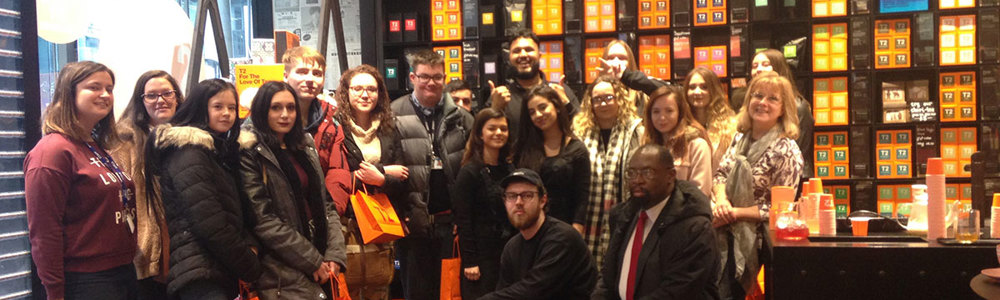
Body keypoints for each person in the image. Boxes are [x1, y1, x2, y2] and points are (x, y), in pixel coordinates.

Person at [26, 61, 138, 299]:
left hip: (121, 272)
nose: (105, 95)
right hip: (85, 280)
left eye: (109, 88)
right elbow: (44, 232)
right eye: (94, 87)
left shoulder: (94, 146)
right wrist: (55, 291)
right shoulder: (52, 151)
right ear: (69, 93)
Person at [145, 79, 261, 299]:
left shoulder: (218, 151)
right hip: (200, 272)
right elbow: (210, 223)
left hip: (215, 267)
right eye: (218, 106)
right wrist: (251, 265)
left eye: (232, 108)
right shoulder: (189, 153)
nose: (226, 113)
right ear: (200, 107)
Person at [238, 81, 346, 299]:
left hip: (322, 254)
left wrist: (334, 254)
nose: (285, 114)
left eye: (291, 107)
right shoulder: (249, 150)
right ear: (261, 110)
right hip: (281, 267)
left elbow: (326, 204)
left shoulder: (304, 144)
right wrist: (312, 260)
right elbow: (262, 220)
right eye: (275, 108)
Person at [390, 49, 474, 300]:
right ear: (412, 78)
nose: (431, 83)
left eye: (437, 77)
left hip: (451, 225)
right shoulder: (394, 114)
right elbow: (390, 165)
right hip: (412, 225)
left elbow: (473, 169)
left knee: (451, 293)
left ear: (445, 78)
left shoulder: (462, 118)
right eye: (424, 76)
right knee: (416, 293)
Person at [713, 73, 803, 299]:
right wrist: (722, 201)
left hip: (758, 245)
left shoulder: (787, 150)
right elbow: (720, 175)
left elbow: (780, 210)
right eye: (758, 95)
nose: (763, 102)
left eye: (773, 99)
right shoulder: (738, 139)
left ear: (783, 109)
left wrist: (734, 213)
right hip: (723, 233)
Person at [593, 144, 720, 300]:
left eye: (648, 173)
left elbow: (679, 291)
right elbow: (608, 278)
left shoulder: (695, 227)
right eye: (631, 173)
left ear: (670, 176)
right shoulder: (623, 215)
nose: (637, 180)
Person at [335, 65, 407, 299]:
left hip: (381, 220)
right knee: (349, 287)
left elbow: (402, 178)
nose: (365, 95)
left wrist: (382, 179)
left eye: (371, 89)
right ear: (346, 92)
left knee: (380, 285)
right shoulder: (335, 127)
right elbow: (333, 177)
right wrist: (383, 171)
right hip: (347, 222)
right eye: (357, 89)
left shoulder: (389, 128)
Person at [112, 70, 183, 299]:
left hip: (186, 243)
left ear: (178, 97)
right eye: (151, 95)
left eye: (167, 93)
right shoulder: (125, 142)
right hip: (147, 250)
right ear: (141, 101)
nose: (160, 100)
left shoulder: (191, 136)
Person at [479, 169, 597, 300]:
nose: (518, 202)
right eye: (511, 196)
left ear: (542, 200)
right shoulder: (512, 247)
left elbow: (534, 292)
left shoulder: (562, 238)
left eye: (527, 195)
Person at [573, 74, 644, 269]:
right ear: (590, 103)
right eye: (597, 99)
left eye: (608, 98)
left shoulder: (635, 131)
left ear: (619, 98)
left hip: (625, 218)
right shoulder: (579, 133)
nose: (603, 103)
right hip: (587, 222)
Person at [451, 108, 516, 299]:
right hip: (480, 258)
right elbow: (463, 220)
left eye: (503, 129)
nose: (498, 133)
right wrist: (470, 261)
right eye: (492, 128)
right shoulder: (469, 172)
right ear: (480, 133)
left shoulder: (510, 168)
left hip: (507, 253)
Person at [282, 46, 353, 216]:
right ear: (285, 75)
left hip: (323, 211)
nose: (310, 79)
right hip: (283, 213)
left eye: (317, 73)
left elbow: (338, 171)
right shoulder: (268, 114)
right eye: (302, 72)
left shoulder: (331, 119)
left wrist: (330, 212)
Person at [512, 85, 590, 228]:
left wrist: (576, 232)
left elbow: (581, 200)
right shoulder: (524, 148)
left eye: (543, 107)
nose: (538, 115)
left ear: (557, 107)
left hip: (563, 229)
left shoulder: (576, 149)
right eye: (532, 112)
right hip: (528, 228)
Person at [489, 28, 579, 141]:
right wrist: (495, 109)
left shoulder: (560, 91)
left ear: (540, 55)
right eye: (516, 51)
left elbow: (583, 130)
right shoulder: (499, 97)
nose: (523, 55)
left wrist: (566, 104)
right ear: (509, 58)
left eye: (529, 49)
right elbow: (481, 139)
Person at [737, 49, 815, 178]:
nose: (759, 69)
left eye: (765, 64)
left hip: (791, 177)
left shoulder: (799, 106)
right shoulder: (749, 102)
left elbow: (797, 147)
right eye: (754, 66)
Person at [641, 85, 713, 198]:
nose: (662, 117)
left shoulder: (697, 145)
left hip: (687, 214)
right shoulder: (647, 146)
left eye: (669, 111)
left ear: (680, 112)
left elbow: (700, 194)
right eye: (656, 112)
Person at [684, 67, 737, 172]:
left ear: (714, 90)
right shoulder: (679, 125)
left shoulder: (731, 126)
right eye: (692, 87)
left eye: (704, 87)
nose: (697, 92)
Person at [593, 39, 663, 112]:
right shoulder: (594, 93)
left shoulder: (642, 93)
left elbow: (671, 94)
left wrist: (627, 76)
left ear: (630, 62)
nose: (616, 62)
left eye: (622, 58)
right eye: (611, 58)